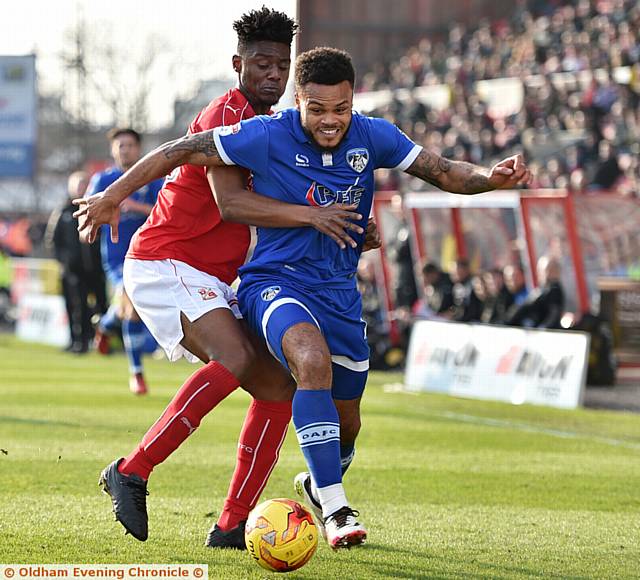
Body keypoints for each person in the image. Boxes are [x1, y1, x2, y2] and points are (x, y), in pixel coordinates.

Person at [77, 46, 532, 548]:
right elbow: (181, 155)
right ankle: (335, 510)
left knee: (319, 409)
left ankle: (238, 522)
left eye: (341, 109)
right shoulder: (263, 133)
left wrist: (491, 178)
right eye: (317, 109)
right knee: (301, 360)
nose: (330, 121)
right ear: (299, 101)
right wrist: (113, 196)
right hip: (272, 282)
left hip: (338, 292)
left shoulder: (374, 134)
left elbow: (444, 171)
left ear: (354, 102)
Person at [74, 8, 377, 551]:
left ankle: (233, 524)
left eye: (281, 66)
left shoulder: (284, 128)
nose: (272, 75)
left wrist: (349, 223)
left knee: (280, 388)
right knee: (235, 360)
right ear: (238, 64)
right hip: (168, 261)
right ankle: (132, 471)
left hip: (218, 276)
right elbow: (230, 202)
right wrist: (113, 196)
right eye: (261, 63)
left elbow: (297, 199)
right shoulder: (226, 114)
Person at [86, 128, 163, 394]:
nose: (125, 150)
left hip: (148, 255)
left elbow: (166, 211)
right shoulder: (102, 180)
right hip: (117, 258)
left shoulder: (152, 178)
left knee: (125, 310)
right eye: (120, 145)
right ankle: (137, 373)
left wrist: (135, 206)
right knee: (130, 308)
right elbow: (87, 211)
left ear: (138, 148)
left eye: (130, 145)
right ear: (112, 150)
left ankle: (105, 326)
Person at [45, 171, 106, 353]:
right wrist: (65, 262)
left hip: (95, 269)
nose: (80, 187)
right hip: (73, 271)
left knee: (102, 306)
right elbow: (52, 240)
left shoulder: (96, 208)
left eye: (83, 184)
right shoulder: (62, 212)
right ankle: (77, 342)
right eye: (77, 184)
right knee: (75, 306)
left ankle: (104, 343)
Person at [506, 256, 565, 329]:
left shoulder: (554, 291)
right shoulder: (542, 289)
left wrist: (541, 330)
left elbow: (553, 315)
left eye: (543, 270)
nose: (539, 274)